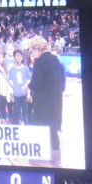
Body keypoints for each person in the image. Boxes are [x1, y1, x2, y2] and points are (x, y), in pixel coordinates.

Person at [26, 35, 65, 165]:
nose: (33, 54)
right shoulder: (56, 60)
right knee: (53, 128)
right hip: (56, 101)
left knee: (38, 126)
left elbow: (36, 83)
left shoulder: (40, 61)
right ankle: (56, 159)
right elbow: (61, 82)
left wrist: (27, 86)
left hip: (43, 102)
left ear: (38, 49)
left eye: (33, 51)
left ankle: (38, 157)